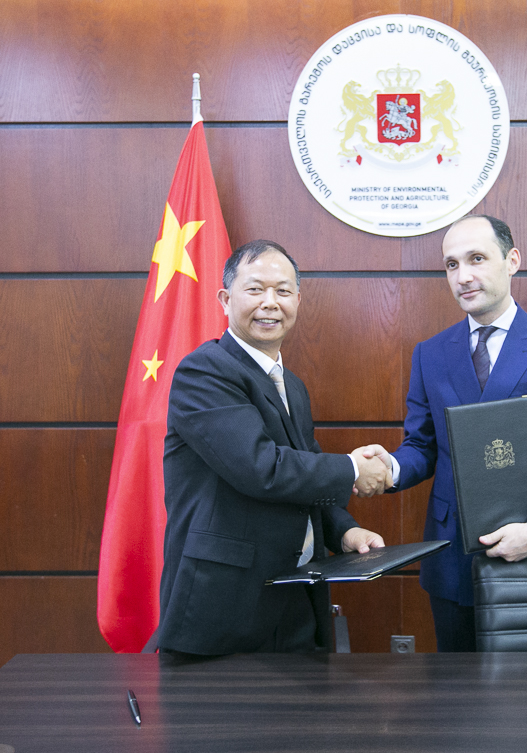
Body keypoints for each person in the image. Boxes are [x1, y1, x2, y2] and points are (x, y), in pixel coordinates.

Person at [382, 215, 527, 651]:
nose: (463, 276)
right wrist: (389, 468)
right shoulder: (430, 353)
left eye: (477, 259)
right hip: (452, 559)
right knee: (457, 689)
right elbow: (422, 447)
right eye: (451, 265)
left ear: (512, 261)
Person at [157, 240, 390, 656]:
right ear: (225, 299)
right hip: (225, 602)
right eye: (255, 289)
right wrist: (354, 469)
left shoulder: (292, 385)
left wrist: (344, 530)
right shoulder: (204, 372)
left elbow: (305, 471)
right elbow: (261, 468)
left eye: (283, 291)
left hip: (295, 595)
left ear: (297, 301)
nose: (270, 303)